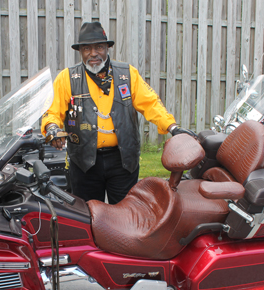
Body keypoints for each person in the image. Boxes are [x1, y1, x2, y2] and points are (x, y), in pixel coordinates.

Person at [41, 21, 195, 204]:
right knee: (86, 216)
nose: (93, 53)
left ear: (107, 48)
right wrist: (51, 127)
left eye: (99, 47)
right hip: (84, 163)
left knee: (126, 215)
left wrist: (173, 127)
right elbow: (52, 111)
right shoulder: (67, 78)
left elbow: (151, 103)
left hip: (122, 161)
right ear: (80, 51)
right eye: (87, 48)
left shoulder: (128, 74)